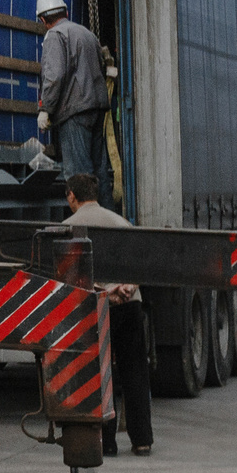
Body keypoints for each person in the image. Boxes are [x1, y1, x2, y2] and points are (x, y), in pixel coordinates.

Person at [63, 173, 152, 455]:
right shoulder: (120, 222)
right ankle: (142, 440)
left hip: (97, 309)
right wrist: (127, 287)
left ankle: (107, 443)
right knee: (135, 371)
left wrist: (105, 291)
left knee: (100, 374)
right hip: (130, 304)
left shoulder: (66, 228)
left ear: (72, 197)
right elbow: (141, 261)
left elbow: (68, 277)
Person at [36, 0, 110, 192]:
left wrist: (46, 109)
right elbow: (101, 69)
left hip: (75, 112)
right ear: (66, 13)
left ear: (43, 19)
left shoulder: (54, 35)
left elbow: (55, 76)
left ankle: (87, 222)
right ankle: (108, 221)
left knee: (79, 174)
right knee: (99, 171)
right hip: (97, 108)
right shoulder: (87, 34)